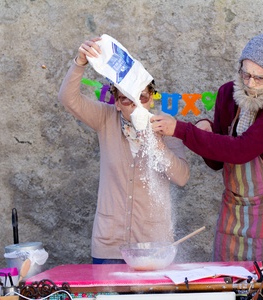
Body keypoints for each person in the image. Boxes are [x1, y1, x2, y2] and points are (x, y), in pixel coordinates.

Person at [151, 33, 263, 300]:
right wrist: (206, 130)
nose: (250, 83)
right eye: (245, 74)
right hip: (234, 208)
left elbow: (241, 150)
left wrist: (183, 130)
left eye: (260, 78)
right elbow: (216, 162)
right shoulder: (227, 93)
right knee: (225, 287)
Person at [58, 37, 190, 264]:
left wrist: (156, 144)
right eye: (127, 100)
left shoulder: (166, 127)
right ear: (117, 103)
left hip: (152, 245)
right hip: (109, 245)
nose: (136, 104)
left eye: (142, 98)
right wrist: (80, 62)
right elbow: (68, 99)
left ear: (150, 100)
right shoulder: (105, 119)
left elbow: (182, 178)